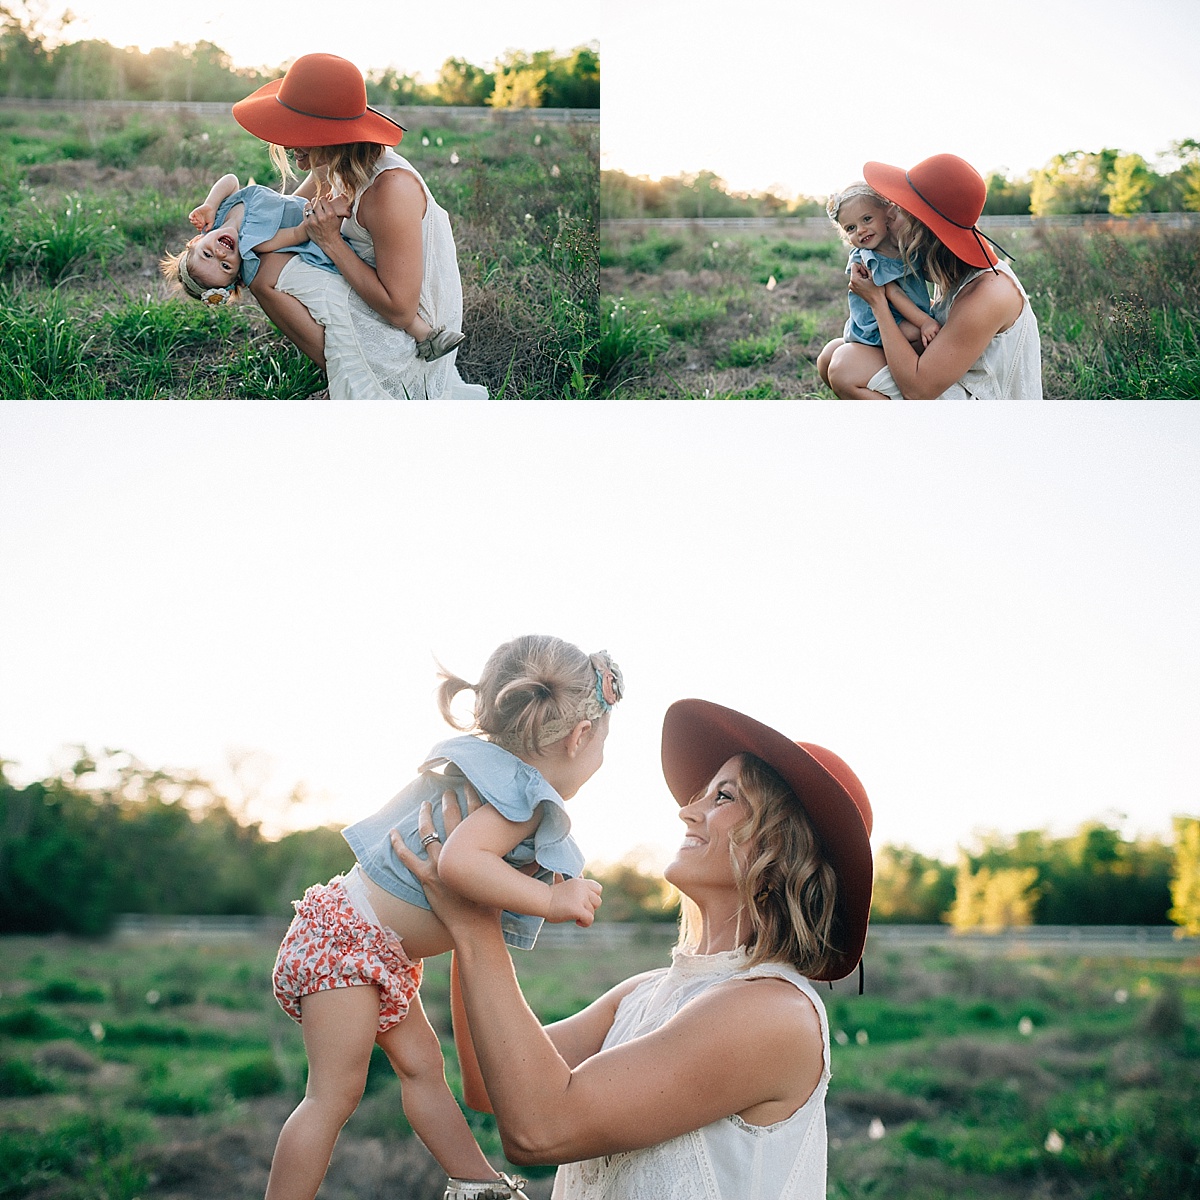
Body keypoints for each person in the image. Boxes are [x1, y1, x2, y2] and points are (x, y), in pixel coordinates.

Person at [393, 698, 874, 1200]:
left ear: (783, 847)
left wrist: (473, 925)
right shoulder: (644, 993)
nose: (688, 810)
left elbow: (541, 1128)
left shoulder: (775, 1013)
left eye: (723, 797)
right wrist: (483, 892)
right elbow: (487, 1085)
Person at [267, 636, 624, 1200]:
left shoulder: (497, 780)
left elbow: (470, 865)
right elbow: (461, 862)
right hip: (346, 941)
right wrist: (554, 901)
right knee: (332, 1094)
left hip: (374, 947)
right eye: (605, 743)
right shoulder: (518, 797)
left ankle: (478, 1185)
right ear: (581, 737)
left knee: (423, 1070)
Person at [231, 53, 487, 399]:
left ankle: (369, 385)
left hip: (412, 339)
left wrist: (331, 242)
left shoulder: (389, 190)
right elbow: (288, 212)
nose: (288, 144)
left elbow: (401, 310)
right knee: (261, 260)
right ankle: (343, 371)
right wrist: (226, 230)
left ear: (333, 134)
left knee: (267, 271)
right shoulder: (331, 165)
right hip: (377, 302)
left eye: (297, 131)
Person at [160, 172, 465, 362]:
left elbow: (230, 179)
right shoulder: (254, 246)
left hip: (303, 203)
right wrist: (330, 213)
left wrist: (210, 203)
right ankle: (426, 336)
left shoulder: (219, 213)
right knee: (366, 276)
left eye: (206, 254)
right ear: (237, 272)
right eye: (226, 266)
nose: (220, 253)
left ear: (194, 241)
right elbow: (295, 233)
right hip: (315, 227)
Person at [817, 154, 1043, 400]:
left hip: (985, 403)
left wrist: (878, 301)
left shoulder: (990, 292)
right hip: (951, 378)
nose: (890, 212)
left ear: (926, 226)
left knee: (845, 365)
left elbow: (919, 390)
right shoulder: (948, 270)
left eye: (902, 208)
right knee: (830, 353)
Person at [825, 182, 941, 397]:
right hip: (880, 325)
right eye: (850, 228)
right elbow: (893, 293)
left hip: (898, 316)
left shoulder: (900, 245)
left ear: (887, 214)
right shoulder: (869, 258)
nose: (860, 230)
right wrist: (924, 321)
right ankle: (908, 374)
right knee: (918, 332)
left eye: (867, 219)